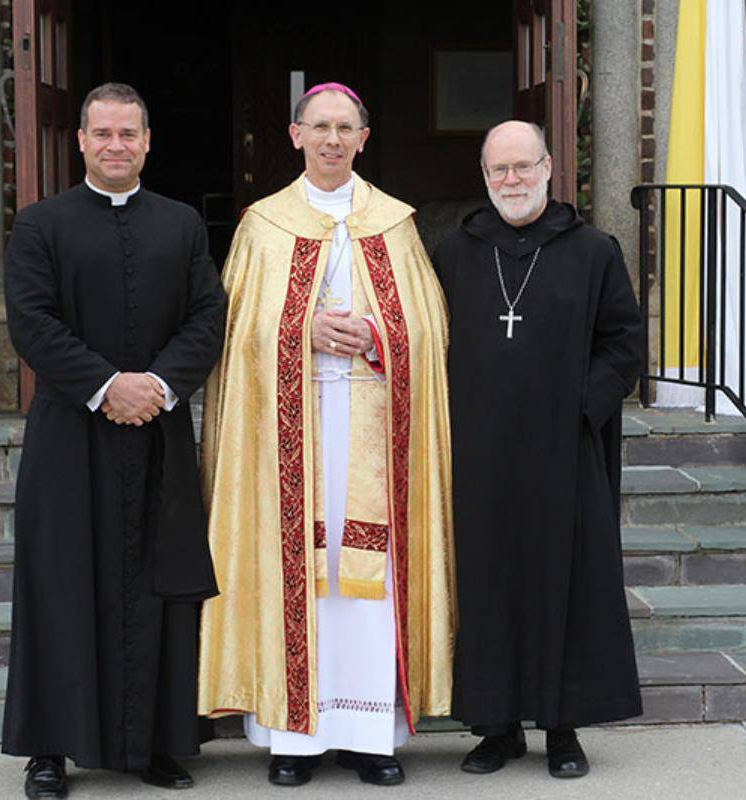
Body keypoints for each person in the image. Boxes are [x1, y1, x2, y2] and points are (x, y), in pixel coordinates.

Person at [197, 82, 454, 788]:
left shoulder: (394, 224)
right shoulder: (263, 224)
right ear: (295, 135)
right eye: (320, 128)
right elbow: (233, 330)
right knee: (298, 573)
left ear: (364, 138)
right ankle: (291, 736)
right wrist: (297, 331)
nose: (332, 140)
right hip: (291, 431)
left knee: (364, 579)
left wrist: (378, 334)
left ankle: (372, 734)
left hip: (373, 424)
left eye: (345, 128)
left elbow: (429, 329)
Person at [1, 82, 227, 798]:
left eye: (129, 133)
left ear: (148, 141)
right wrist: (107, 387)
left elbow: (206, 319)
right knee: (60, 587)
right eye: (103, 133)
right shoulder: (40, 225)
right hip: (71, 435)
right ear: (81, 141)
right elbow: (32, 323)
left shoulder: (181, 224)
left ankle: (158, 744)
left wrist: (158, 387)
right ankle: (50, 749)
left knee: (161, 586)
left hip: (156, 434)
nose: (116, 146)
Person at [432, 120, 644, 779]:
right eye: (499, 170)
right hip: (478, 455)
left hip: (562, 456)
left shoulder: (592, 250)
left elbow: (623, 343)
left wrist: (581, 405)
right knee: (487, 585)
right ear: (483, 176)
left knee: (565, 585)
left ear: (549, 168)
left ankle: (561, 730)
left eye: (523, 167)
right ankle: (494, 729)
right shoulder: (452, 252)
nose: (512, 181)